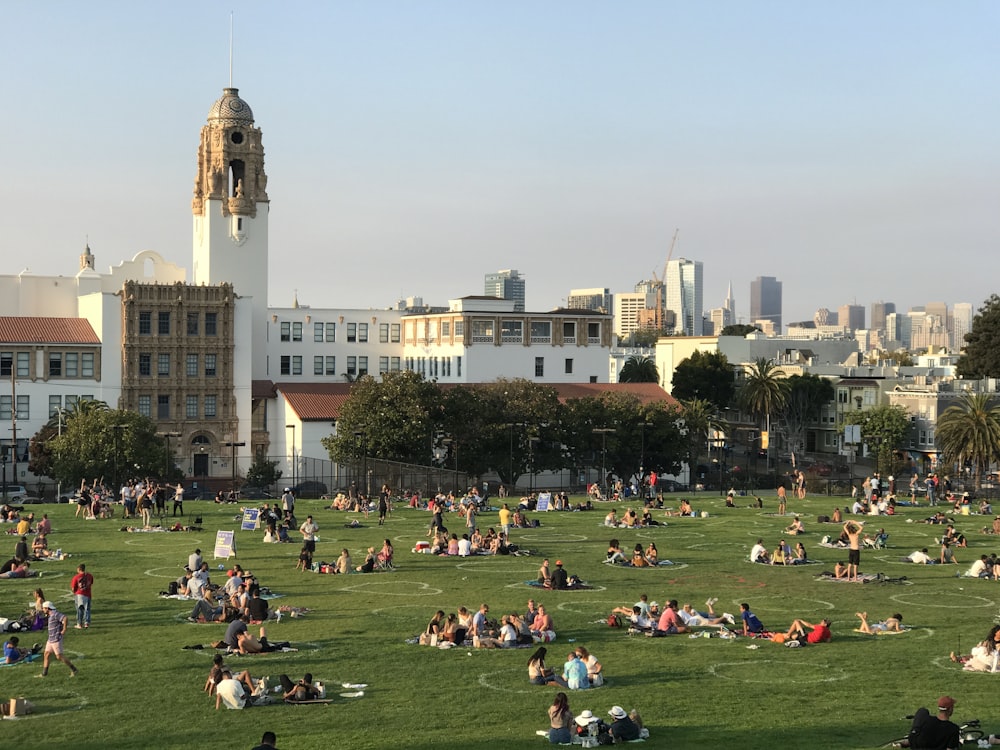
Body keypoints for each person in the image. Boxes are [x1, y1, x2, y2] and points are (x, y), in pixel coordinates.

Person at [37, 601, 78, 677]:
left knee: (59, 656)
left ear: (47, 608)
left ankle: (74, 669)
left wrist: (64, 629)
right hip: (50, 639)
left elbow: (65, 618)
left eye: (43, 608)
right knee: (46, 654)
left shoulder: (55, 614)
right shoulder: (50, 614)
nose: (43, 609)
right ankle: (44, 673)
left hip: (56, 638)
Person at [70, 563, 94, 629]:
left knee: (80, 609)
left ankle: (79, 624)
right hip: (88, 594)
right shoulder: (89, 575)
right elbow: (91, 582)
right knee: (87, 609)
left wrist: (74, 592)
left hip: (80, 594)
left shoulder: (76, 577)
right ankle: (87, 623)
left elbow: (73, 588)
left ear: (79, 569)